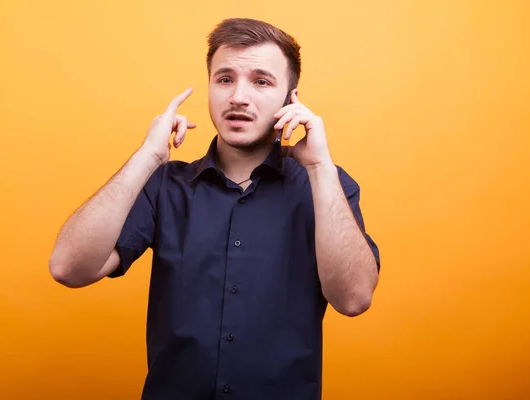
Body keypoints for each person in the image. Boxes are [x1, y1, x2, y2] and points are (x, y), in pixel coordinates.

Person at [49, 17, 380, 400]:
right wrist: (148, 156)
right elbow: (68, 268)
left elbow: (354, 299)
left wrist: (320, 167)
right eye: (224, 79)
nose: (238, 96)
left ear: (292, 99)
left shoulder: (327, 187)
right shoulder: (164, 187)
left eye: (261, 81)